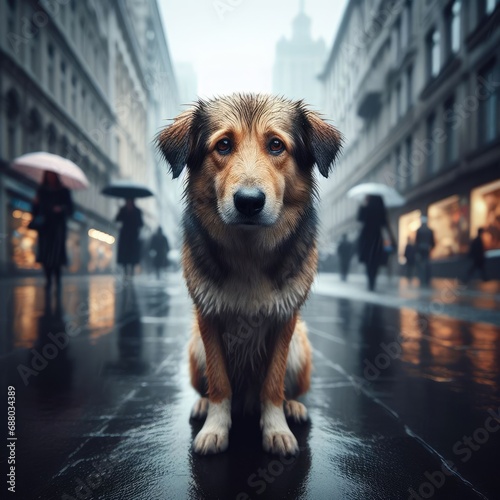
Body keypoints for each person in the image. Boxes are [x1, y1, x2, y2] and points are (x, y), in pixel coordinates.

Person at [31, 171, 73, 302]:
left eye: (52, 174)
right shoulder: (41, 191)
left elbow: (71, 209)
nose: (50, 177)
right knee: (45, 255)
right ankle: (48, 280)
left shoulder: (64, 191)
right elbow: (35, 211)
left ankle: (57, 281)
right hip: (45, 228)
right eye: (48, 174)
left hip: (58, 228)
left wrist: (61, 209)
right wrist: (36, 203)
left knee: (56, 256)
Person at [357, 195, 395, 291]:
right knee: (375, 260)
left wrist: (362, 206)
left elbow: (359, 219)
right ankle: (373, 280)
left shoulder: (366, 208)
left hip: (366, 237)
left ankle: (370, 281)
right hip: (377, 237)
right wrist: (391, 239)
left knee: (368, 261)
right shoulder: (381, 209)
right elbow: (386, 225)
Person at [115, 198, 144, 276]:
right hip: (125, 236)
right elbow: (117, 219)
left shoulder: (137, 211)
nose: (129, 203)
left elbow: (141, 223)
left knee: (132, 257)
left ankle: (131, 273)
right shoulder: (123, 210)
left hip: (133, 237)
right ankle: (125, 273)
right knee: (125, 256)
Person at [415, 215, 435, 287]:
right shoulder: (429, 230)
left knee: (422, 264)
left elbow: (417, 242)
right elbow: (433, 242)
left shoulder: (419, 230)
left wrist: (417, 250)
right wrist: (431, 247)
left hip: (421, 249)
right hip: (427, 248)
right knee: (427, 263)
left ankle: (422, 278)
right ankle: (427, 278)